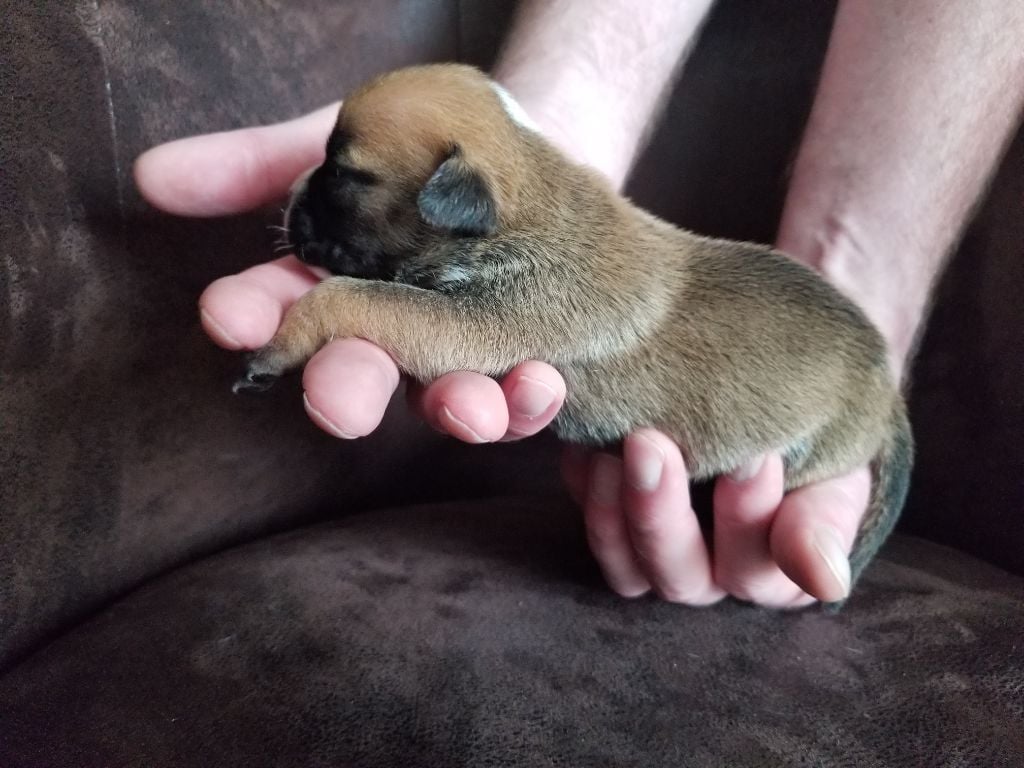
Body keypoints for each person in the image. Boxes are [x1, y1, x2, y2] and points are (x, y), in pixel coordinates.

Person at [134, 1, 1024, 608]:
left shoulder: (558, 283)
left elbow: (461, 333)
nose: (318, 189)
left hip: (820, 406)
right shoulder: (508, 206)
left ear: (463, 204)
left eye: (352, 178)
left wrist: (330, 311)